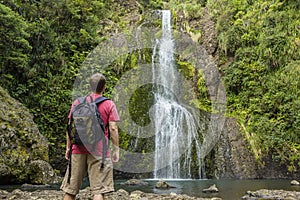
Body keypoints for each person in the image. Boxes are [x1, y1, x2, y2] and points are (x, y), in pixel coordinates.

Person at [60, 73, 120, 200]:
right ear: (104, 87)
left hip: (78, 148)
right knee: (98, 191)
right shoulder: (109, 104)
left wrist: (68, 147)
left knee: (71, 190)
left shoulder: (78, 102)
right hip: (99, 150)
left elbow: (69, 126)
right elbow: (113, 128)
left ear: (90, 86)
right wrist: (116, 150)